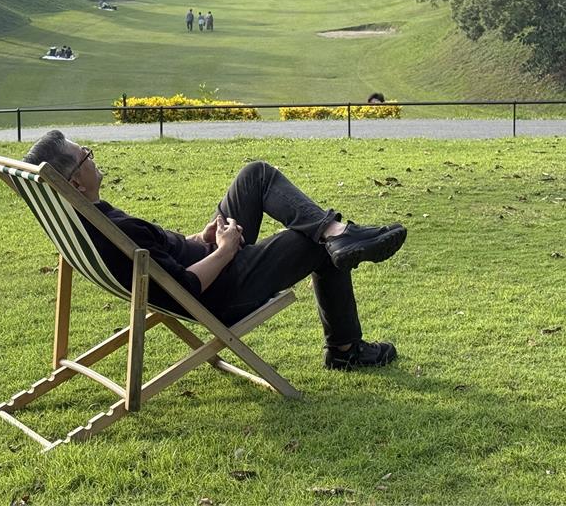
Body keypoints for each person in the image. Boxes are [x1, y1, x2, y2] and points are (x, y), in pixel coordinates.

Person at [23, 130, 407, 370]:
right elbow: (185, 287)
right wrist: (223, 251)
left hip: (204, 258)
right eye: (85, 154)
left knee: (254, 176)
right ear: (76, 182)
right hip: (220, 291)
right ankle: (344, 346)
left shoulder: (88, 219)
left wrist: (200, 239)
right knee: (310, 240)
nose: (92, 154)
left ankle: (337, 231)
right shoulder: (111, 231)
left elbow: (161, 259)